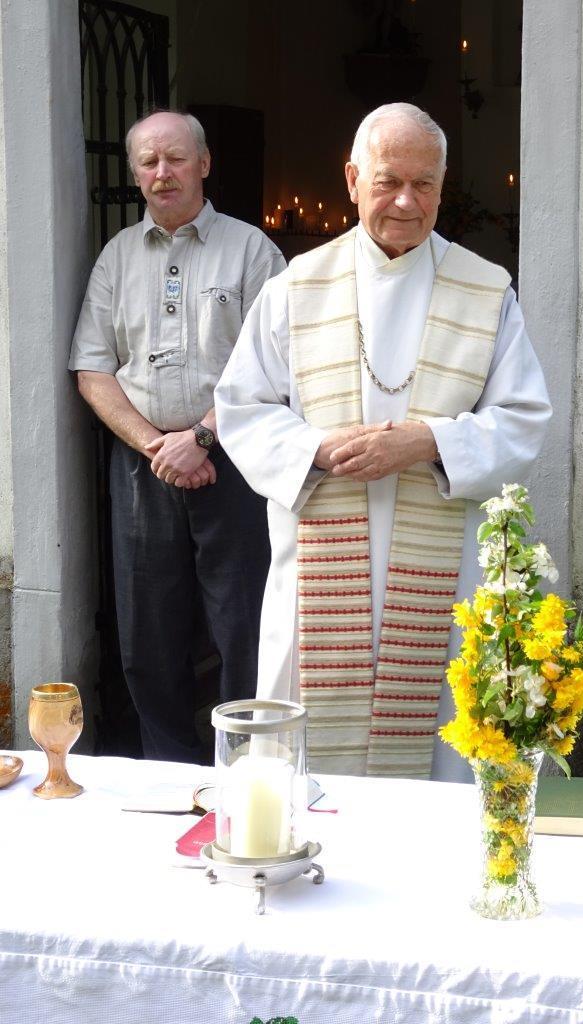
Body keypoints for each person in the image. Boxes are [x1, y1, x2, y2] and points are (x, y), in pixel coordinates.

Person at [215, 103, 552, 781]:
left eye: (423, 184)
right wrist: (315, 451)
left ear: (442, 185)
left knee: (441, 742)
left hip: (441, 579)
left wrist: (427, 442)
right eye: (387, 181)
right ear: (351, 180)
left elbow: (523, 419)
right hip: (319, 575)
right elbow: (241, 409)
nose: (406, 201)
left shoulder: (486, 292)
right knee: (311, 760)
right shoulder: (294, 290)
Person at [70, 110, 285, 762]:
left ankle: (246, 767)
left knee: (243, 624)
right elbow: (92, 368)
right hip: (144, 466)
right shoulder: (116, 257)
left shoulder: (251, 250)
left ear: (204, 163)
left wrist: (202, 437)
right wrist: (157, 445)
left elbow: (277, 365)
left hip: (236, 460)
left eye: (176, 158)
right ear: (136, 173)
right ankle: (167, 770)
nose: (162, 173)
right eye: (149, 162)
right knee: (147, 631)